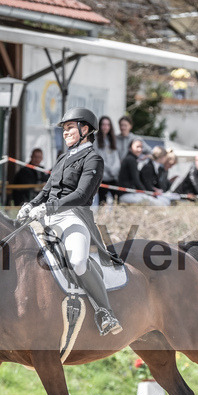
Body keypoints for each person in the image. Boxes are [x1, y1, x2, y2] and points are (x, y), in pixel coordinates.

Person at [18, 107, 122, 336]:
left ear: (85, 130)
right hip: (46, 216)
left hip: (73, 217)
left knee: (77, 261)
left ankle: (105, 312)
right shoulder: (63, 157)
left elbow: (81, 195)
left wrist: (49, 207)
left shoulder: (93, 159)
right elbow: (47, 190)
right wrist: (31, 204)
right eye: (64, 129)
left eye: (69, 128)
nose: (65, 133)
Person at [117, 139, 166, 206]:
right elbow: (136, 180)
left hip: (130, 193)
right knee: (158, 204)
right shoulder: (131, 160)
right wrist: (147, 193)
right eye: (137, 147)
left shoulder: (132, 159)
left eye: (141, 147)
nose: (139, 149)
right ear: (130, 148)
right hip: (127, 194)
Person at [93, 116, 120, 205]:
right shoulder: (95, 140)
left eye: (108, 125)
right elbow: (99, 158)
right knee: (102, 202)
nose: (105, 127)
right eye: (103, 124)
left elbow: (116, 158)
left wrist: (115, 169)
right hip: (103, 177)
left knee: (117, 200)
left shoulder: (112, 139)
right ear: (99, 126)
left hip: (113, 176)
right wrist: (110, 169)